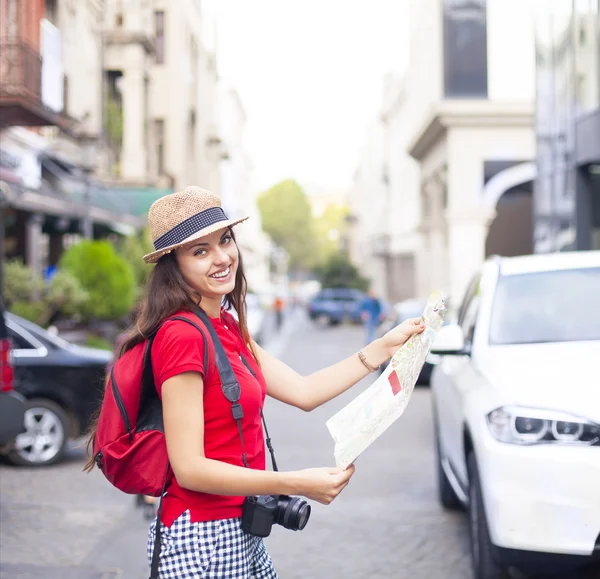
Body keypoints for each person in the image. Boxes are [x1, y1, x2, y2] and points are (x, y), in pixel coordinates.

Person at [83, 186, 425, 578]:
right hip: (201, 539)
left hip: (240, 531)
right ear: (173, 266)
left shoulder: (227, 326)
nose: (222, 257)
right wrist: (296, 483)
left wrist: (382, 347)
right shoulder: (182, 337)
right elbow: (190, 468)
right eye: (200, 251)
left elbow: (304, 391)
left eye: (225, 240)